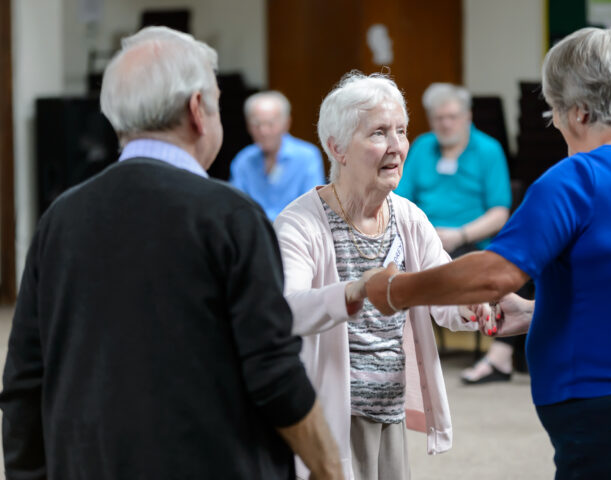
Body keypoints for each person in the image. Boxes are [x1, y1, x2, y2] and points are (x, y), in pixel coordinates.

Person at [367, 26, 611, 479]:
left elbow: (493, 276)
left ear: (578, 112)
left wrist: (397, 289)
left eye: (553, 111)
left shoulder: (577, 179)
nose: (554, 123)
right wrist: (540, 311)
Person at [0, 26, 342, 480]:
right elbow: (274, 374)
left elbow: (25, 381)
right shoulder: (231, 217)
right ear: (198, 110)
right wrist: (330, 469)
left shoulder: (59, 219)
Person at [273, 72, 479, 480]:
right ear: (337, 148)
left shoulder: (407, 217)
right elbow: (287, 310)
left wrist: (479, 303)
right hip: (331, 413)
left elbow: (443, 293)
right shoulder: (299, 223)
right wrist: (353, 290)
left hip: (390, 407)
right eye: (379, 133)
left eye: (401, 131)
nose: (397, 147)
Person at [395, 82, 517, 384]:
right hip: (422, 239)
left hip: (470, 241)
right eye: (438, 118)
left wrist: (460, 234)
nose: (445, 124)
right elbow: (399, 199)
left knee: (514, 269)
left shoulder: (488, 150)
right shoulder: (422, 146)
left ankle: (499, 360)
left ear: (467, 117)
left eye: (452, 116)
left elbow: (500, 212)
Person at [229, 91, 325, 220]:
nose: (264, 131)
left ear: (286, 123)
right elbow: (235, 207)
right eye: (256, 124)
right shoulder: (243, 160)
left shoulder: (307, 156)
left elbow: (313, 208)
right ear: (248, 126)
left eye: (270, 124)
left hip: (295, 233)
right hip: (255, 234)